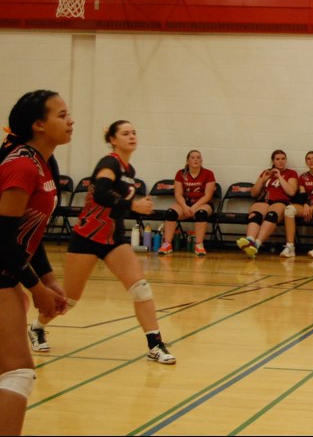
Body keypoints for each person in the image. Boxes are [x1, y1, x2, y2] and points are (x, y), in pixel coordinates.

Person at [60, 120, 175, 364]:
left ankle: (155, 345)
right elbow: (101, 193)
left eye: (134, 132)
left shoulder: (128, 170)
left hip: (113, 239)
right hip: (87, 237)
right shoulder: (109, 162)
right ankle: (37, 326)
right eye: (125, 133)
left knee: (141, 289)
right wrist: (134, 204)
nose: (132, 136)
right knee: (69, 300)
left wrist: (137, 207)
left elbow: (114, 204)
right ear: (113, 139)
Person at [0, 90, 71, 435]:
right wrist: (36, 288)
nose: (70, 120)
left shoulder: (45, 163)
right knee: (18, 372)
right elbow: (3, 239)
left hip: (8, 272)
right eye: (61, 115)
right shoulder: (22, 166)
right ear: (38, 125)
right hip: (2, 272)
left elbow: (31, 230)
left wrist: (49, 278)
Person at [237, 150, 299, 258]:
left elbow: (292, 192)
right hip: (265, 200)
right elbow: (253, 193)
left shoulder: (291, 173)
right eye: (278, 159)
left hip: (281, 201)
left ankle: (257, 244)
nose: (281, 161)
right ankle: (249, 241)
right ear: (273, 161)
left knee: (271, 215)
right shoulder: (266, 172)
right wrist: (262, 180)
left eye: (283, 159)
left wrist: (280, 177)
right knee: (255, 215)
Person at [158, 150, 216, 257]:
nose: (195, 160)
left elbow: (207, 196)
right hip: (184, 203)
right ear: (188, 160)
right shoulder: (181, 173)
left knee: (201, 213)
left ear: (201, 160)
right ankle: (167, 244)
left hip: (202, 204)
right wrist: (185, 206)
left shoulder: (208, 173)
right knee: (170, 212)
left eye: (198, 157)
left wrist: (194, 207)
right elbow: (178, 194)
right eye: (193, 157)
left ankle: (199, 245)